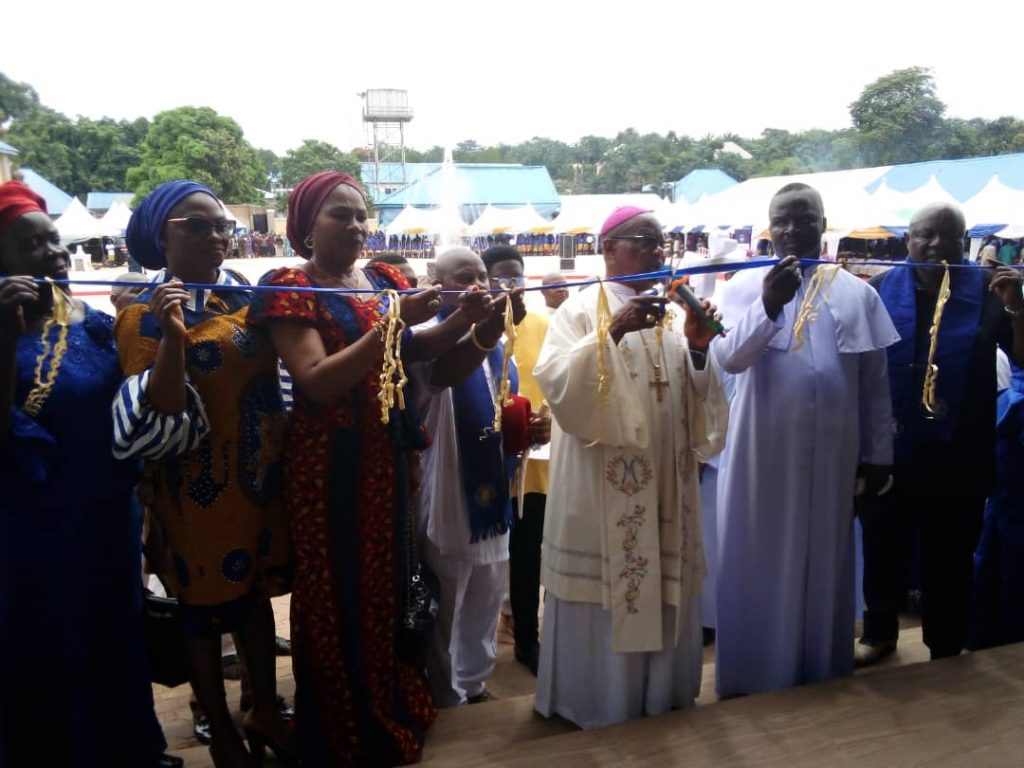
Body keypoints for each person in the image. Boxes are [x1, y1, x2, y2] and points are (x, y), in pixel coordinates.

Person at [251, 171, 464, 766]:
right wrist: (393, 323)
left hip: (386, 458)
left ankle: (390, 701)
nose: (355, 224)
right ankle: (346, 723)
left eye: (359, 213)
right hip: (328, 466)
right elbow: (317, 382)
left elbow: (416, 350)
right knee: (338, 591)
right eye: (337, 214)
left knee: (388, 585)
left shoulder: (382, 279)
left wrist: (470, 317)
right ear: (305, 227)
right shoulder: (289, 287)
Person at [113, 180, 294, 768]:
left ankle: (263, 707)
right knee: (202, 611)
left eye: (221, 225)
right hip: (196, 491)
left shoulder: (245, 295)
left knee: (256, 597)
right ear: (159, 236)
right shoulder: (141, 314)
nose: (215, 237)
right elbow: (161, 407)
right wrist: (171, 336)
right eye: (194, 225)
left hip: (260, 479)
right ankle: (219, 726)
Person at [0, 181, 176, 767]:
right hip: (34, 524)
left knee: (114, 630)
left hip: (107, 513)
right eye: (32, 245)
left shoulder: (88, 319)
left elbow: (127, 406)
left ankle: (129, 749)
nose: (53, 254)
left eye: (54, 240)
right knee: (53, 640)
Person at [533, 206, 728, 729]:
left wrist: (696, 346)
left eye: (662, 242)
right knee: (608, 592)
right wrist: (612, 334)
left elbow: (694, 397)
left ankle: (661, 695)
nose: (657, 251)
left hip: (666, 484)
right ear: (608, 249)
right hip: (603, 486)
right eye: (644, 240)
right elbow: (556, 383)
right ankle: (597, 701)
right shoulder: (579, 309)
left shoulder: (671, 312)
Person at [712, 183, 898, 697]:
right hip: (759, 455)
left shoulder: (859, 292)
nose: (793, 229)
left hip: (831, 460)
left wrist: (878, 455)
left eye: (805, 218)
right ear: (768, 228)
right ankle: (752, 674)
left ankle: (819, 669)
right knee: (758, 558)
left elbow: (874, 384)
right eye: (782, 221)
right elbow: (728, 358)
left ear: (823, 222)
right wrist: (769, 304)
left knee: (824, 559)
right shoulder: (745, 286)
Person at [858, 202, 1024, 664]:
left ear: (964, 240)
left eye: (949, 236)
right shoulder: (877, 290)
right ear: (907, 239)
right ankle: (879, 632)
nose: (936, 244)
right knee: (882, 543)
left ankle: (945, 643)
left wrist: (1017, 308)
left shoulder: (990, 292)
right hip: (891, 447)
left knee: (950, 553)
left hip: (960, 452)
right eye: (925, 234)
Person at [410, 246, 536, 706]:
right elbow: (441, 376)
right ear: (435, 280)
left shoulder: (499, 344)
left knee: (486, 591)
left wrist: (530, 428)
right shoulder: (424, 335)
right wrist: (483, 333)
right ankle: (444, 691)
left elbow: (504, 411)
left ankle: (475, 680)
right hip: (446, 486)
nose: (478, 286)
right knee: (445, 596)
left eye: (482, 276)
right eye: (465, 277)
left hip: (491, 489)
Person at [482, 245, 551, 675]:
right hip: (484, 466)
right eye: (501, 279)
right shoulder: (474, 328)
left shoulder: (545, 324)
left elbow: (556, 387)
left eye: (517, 278)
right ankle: (474, 649)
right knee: (483, 564)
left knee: (528, 557)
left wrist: (547, 423)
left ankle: (528, 638)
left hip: (534, 467)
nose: (511, 287)